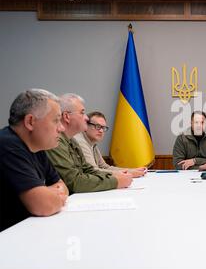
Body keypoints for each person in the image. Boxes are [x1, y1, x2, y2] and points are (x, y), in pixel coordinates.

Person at [0, 89, 68, 232]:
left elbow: (62, 187)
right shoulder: (7, 146)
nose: (61, 128)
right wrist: (46, 196)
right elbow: (44, 205)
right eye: (56, 120)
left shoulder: (36, 148)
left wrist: (47, 193)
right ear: (30, 122)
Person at [46, 94, 132, 193]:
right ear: (66, 116)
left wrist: (116, 176)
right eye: (82, 113)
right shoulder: (57, 142)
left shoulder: (72, 140)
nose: (86, 118)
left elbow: (88, 169)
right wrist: (115, 181)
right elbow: (74, 182)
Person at [74, 111, 146, 177]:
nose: (101, 131)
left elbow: (104, 167)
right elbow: (93, 171)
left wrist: (131, 170)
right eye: (98, 126)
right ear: (86, 126)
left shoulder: (92, 143)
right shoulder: (80, 141)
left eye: (103, 127)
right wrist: (127, 174)